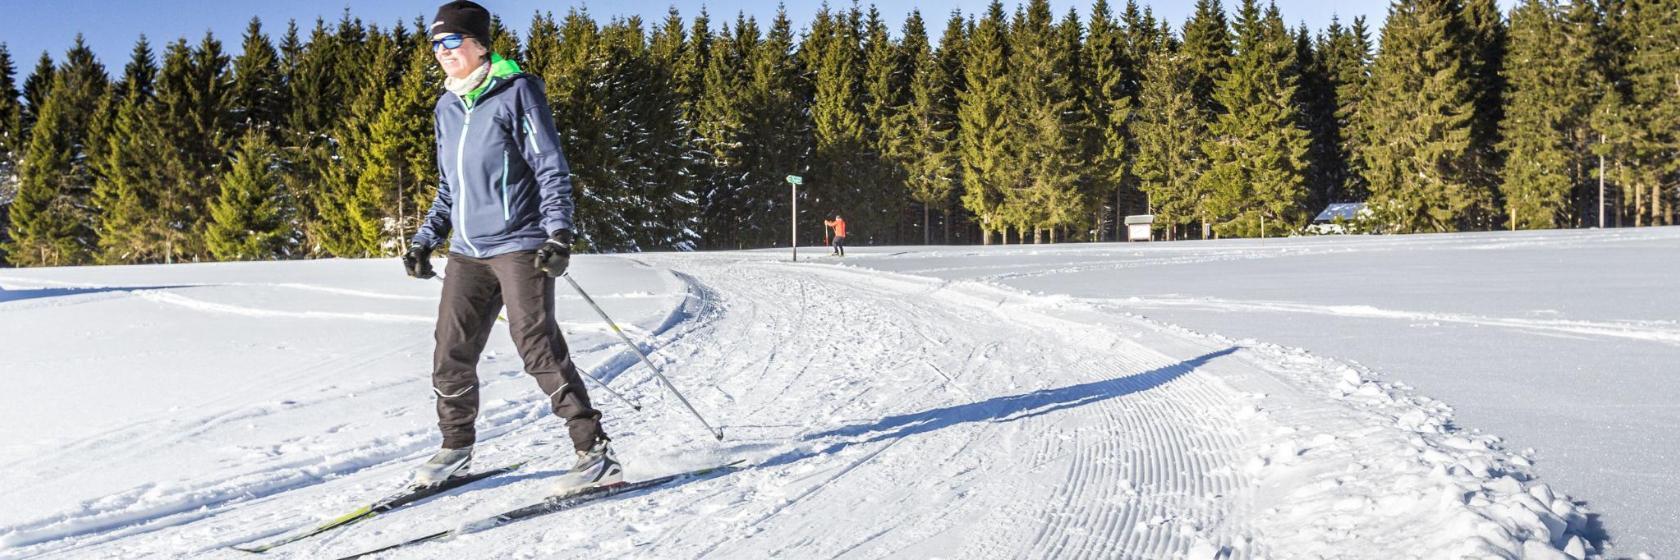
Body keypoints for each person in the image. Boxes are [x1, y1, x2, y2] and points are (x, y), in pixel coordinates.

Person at [401, 0, 619, 490]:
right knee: (450, 350)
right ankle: (456, 447)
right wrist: (424, 240)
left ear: (480, 44)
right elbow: (448, 188)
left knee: (537, 347)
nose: (443, 51)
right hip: (467, 251)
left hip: (520, 243)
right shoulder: (446, 106)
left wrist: (559, 233)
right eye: (436, 43)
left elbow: (550, 167)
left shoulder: (516, 92)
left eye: (452, 41)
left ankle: (594, 449)